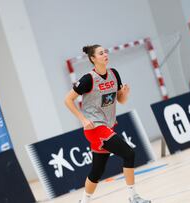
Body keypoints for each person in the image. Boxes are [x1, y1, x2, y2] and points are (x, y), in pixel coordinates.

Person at [64, 44, 151, 203]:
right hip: (95, 128)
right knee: (129, 153)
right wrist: (83, 119)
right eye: (101, 53)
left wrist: (125, 94)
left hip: (107, 125)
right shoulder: (88, 79)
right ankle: (133, 197)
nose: (105, 54)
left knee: (97, 169)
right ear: (93, 58)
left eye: (105, 52)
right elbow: (68, 100)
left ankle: (84, 201)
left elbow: (120, 100)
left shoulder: (114, 74)